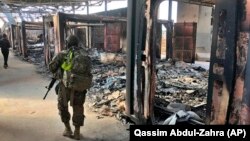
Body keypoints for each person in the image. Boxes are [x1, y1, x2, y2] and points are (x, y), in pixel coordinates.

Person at [49, 35, 92, 140]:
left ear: (67, 43)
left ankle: (68, 129)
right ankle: (77, 132)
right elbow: (89, 70)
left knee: (62, 107)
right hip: (80, 87)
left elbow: (51, 67)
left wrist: (61, 67)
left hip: (65, 87)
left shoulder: (62, 54)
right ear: (77, 43)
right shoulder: (85, 54)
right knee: (78, 108)